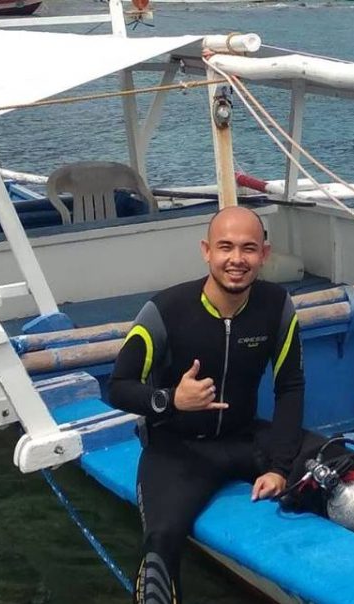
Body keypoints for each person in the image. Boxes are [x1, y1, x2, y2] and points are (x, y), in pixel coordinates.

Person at [108, 206, 304, 604]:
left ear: (264, 254)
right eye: (225, 247)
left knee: (340, 464)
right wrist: (170, 400)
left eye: (249, 248)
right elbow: (119, 387)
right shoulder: (166, 310)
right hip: (178, 449)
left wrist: (279, 469)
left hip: (245, 440)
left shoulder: (277, 305)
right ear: (206, 251)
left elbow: (290, 387)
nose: (237, 259)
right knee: (161, 541)